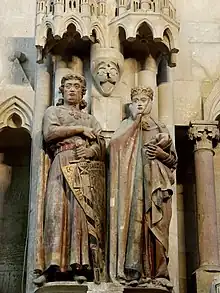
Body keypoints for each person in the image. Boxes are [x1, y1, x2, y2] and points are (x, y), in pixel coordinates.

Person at [33, 73, 106, 286]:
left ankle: (79, 265)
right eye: (68, 87)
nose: (72, 90)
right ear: (62, 91)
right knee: (56, 211)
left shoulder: (90, 118)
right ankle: (53, 266)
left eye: (76, 87)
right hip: (61, 161)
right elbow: (49, 133)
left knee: (80, 216)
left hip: (84, 167)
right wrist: (80, 130)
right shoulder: (53, 112)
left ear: (83, 92)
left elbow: (101, 143)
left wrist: (92, 151)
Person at [109, 86, 177, 289]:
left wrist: (159, 153)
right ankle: (135, 271)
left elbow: (173, 161)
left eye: (144, 100)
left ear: (151, 102)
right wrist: (135, 122)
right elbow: (114, 147)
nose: (140, 103)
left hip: (159, 186)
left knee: (159, 227)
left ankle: (159, 273)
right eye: (136, 100)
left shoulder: (160, 128)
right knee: (136, 225)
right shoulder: (126, 125)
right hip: (135, 186)